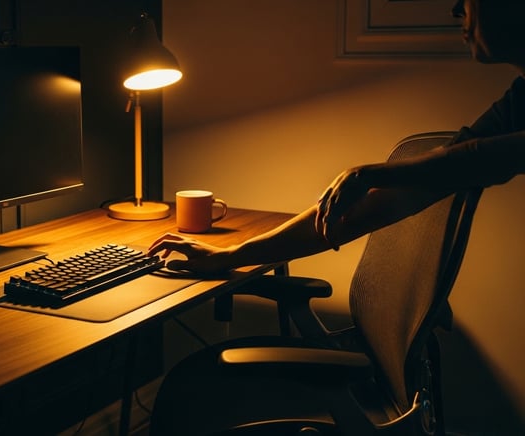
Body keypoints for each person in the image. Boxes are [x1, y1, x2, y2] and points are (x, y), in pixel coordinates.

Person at [148, 0, 525, 275]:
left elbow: (482, 158)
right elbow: (381, 202)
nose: (457, 10)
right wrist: (230, 254)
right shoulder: (518, 102)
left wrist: (373, 174)